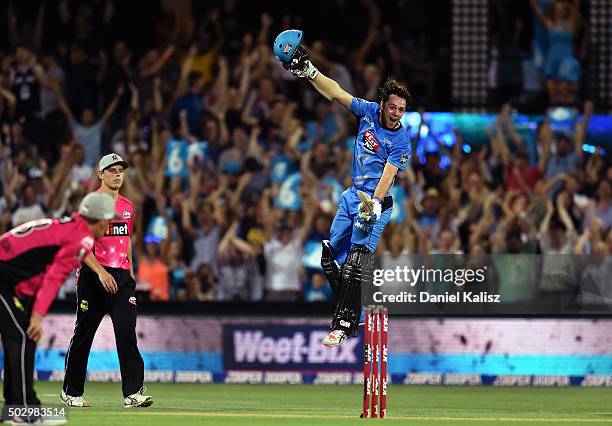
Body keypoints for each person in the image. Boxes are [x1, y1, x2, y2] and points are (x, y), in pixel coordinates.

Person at [273, 30, 412, 346]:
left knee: (356, 258)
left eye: (401, 111)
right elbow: (335, 92)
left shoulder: (401, 141)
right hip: (351, 197)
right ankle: (355, 312)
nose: (396, 114)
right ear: (383, 105)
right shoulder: (367, 112)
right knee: (327, 258)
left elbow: (389, 175)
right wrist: (310, 73)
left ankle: (345, 323)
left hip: (376, 202)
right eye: (393, 108)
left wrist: (373, 205)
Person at [0, 192, 115, 423]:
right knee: (22, 336)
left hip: (7, 279)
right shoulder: (80, 238)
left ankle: (17, 405)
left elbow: (33, 271)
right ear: (102, 221)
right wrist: (37, 317)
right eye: (109, 220)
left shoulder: (70, 226)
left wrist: (32, 313)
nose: (110, 225)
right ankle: (23, 411)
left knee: (24, 337)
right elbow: (53, 278)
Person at [61, 153, 153, 408]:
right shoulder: (90, 205)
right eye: (111, 170)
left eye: (120, 170)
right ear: (100, 174)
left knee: (127, 333)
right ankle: (71, 392)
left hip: (121, 278)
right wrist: (100, 272)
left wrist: (131, 272)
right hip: (93, 276)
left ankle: (133, 392)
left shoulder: (127, 206)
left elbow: (127, 240)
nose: (117, 174)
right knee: (84, 335)